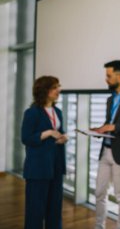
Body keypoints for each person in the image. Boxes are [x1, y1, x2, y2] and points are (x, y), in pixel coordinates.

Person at [21, 76, 68, 229]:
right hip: (38, 169)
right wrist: (48, 133)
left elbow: (58, 133)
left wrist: (62, 137)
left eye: (58, 86)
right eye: (55, 87)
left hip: (56, 167)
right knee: (35, 210)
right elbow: (26, 138)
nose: (58, 90)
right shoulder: (32, 112)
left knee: (55, 209)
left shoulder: (58, 112)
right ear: (45, 90)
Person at [91, 60, 120, 229]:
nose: (106, 80)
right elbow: (110, 122)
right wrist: (100, 129)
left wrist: (113, 127)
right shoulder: (110, 99)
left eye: (109, 76)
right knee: (100, 193)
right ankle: (98, 226)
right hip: (105, 152)